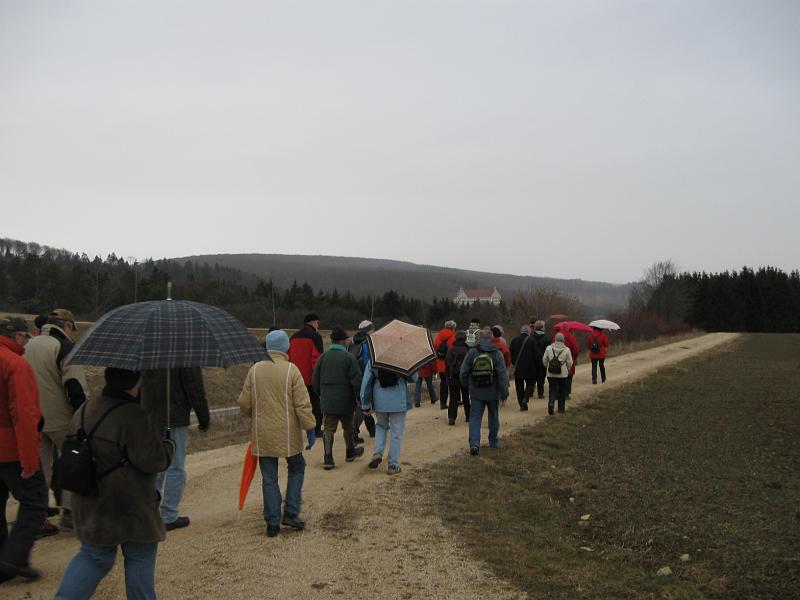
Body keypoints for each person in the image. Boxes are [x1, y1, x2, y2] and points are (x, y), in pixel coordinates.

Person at [53, 368, 175, 600]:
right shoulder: (133, 415)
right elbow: (153, 461)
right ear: (135, 382)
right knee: (140, 554)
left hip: (90, 502)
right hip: (129, 505)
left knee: (93, 556)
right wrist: (168, 447)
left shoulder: (85, 409)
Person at [238, 330, 316, 537]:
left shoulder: (254, 370)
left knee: (269, 477)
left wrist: (253, 414)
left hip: (262, 433)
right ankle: (290, 511)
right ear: (286, 348)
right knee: (297, 467)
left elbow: (244, 403)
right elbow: (302, 405)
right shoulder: (291, 370)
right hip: (288, 432)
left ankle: (272, 523)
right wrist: (310, 428)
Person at [24, 308, 88, 533]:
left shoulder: (28, 345)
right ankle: (70, 512)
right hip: (61, 419)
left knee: (41, 468)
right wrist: (82, 416)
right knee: (74, 463)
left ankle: (37, 516)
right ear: (66, 326)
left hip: (32, 417)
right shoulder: (65, 348)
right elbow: (75, 387)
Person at [0, 317, 48, 583]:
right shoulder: (15, 364)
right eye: (25, 337)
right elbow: (25, 415)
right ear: (17, 336)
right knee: (35, 502)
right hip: (11, 449)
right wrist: (30, 460)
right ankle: (12, 559)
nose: (27, 342)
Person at [140, 367, 210, 531]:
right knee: (175, 466)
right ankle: (169, 515)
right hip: (175, 416)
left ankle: (147, 512)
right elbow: (194, 387)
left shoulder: (148, 353)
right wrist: (204, 418)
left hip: (149, 414)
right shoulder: (185, 355)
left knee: (154, 464)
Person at [311, 327, 364, 470]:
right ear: (342, 341)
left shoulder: (323, 357)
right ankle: (350, 452)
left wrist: (322, 395)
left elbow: (315, 380)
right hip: (346, 400)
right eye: (346, 340)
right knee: (348, 425)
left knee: (328, 428)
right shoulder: (349, 357)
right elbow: (356, 381)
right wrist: (359, 397)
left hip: (328, 400)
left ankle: (328, 458)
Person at [460, 327, 509, 456]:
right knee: (493, 416)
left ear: (479, 339)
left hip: (476, 391)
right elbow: (503, 375)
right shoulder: (497, 353)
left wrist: (467, 385)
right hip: (493, 392)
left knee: (475, 418)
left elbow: (463, 372)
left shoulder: (472, 352)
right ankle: (493, 442)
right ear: (491, 338)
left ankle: (474, 444)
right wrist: (504, 392)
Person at [360, 366, 417, 475]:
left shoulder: (374, 358)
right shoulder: (402, 358)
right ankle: (393, 465)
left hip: (380, 400)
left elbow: (366, 382)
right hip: (399, 399)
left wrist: (365, 404)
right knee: (396, 432)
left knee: (381, 426)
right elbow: (414, 378)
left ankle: (378, 452)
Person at [288, 313, 324, 437]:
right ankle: (316, 429)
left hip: (295, 378)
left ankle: (295, 430)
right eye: (317, 322)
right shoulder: (316, 337)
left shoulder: (293, 337)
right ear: (313, 322)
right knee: (316, 405)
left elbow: (289, 357)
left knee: (296, 406)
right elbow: (317, 360)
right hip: (311, 379)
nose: (318, 325)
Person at [348, 320, 376, 444]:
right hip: (364, 377)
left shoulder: (352, 342)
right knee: (362, 405)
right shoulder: (367, 342)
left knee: (363, 403)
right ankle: (353, 432)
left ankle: (372, 429)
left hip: (352, 377)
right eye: (373, 329)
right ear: (368, 330)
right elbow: (368, 363)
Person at [542, 332, 574, 415]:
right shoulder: (566, 350)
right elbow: (570, 362)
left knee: (552, 390)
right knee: (562, 391)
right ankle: (561, 408)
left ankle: (551, 403)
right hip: (563, 374)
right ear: (563, 340)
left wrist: (547, 366)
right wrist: (567, 368)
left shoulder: (549, 348)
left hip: (551, 373)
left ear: (555, 339)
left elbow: (544, 359)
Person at [444, 330, 470, 425]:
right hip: (465, 377)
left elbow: (447, 364)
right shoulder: (468, 350)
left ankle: (452, 417)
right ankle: (468, 416)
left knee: (453, 398)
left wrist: (447, 376)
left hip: (453, 377)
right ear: (465, 338)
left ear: (455, 338)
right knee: (466, 397)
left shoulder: (451, 350)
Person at [509, 325, 536, 410]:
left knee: (519, 386)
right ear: (529, 332)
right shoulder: (532, 340)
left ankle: (522, 405)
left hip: (518, 367)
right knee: (531, 384)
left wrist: (513, 362)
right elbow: (536, 355)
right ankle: (525, 397)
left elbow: (510, 353)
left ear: (521, 331)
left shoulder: (514, 340)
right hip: (530, 367)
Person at [432, 320, 456, 410]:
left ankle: (442, 403)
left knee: (443, 384)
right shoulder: (453, 336)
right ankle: (454, 402)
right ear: (453, 327)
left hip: (440, 364)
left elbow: (435, 347)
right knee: (453, 384)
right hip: (450, 365)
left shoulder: (439, 336)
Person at [554, 324, 580, 400]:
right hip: (568, 359)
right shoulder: (571, 336)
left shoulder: (555, 336)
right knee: (568, 377)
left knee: (557, 376)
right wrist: (574, 357)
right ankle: (566, 394)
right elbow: (575, 349)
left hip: (557, 360)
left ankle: (557, 394)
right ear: (568, 329)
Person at [530, 321, 550, 399]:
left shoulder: (531, 338)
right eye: (544, 326)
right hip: (542, 360)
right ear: (541, 327)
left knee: (533, 376)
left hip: (533, 360)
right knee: (541, 377)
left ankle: (530, 392)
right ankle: (540, 393)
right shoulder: (546, 338)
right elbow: (548, 350)